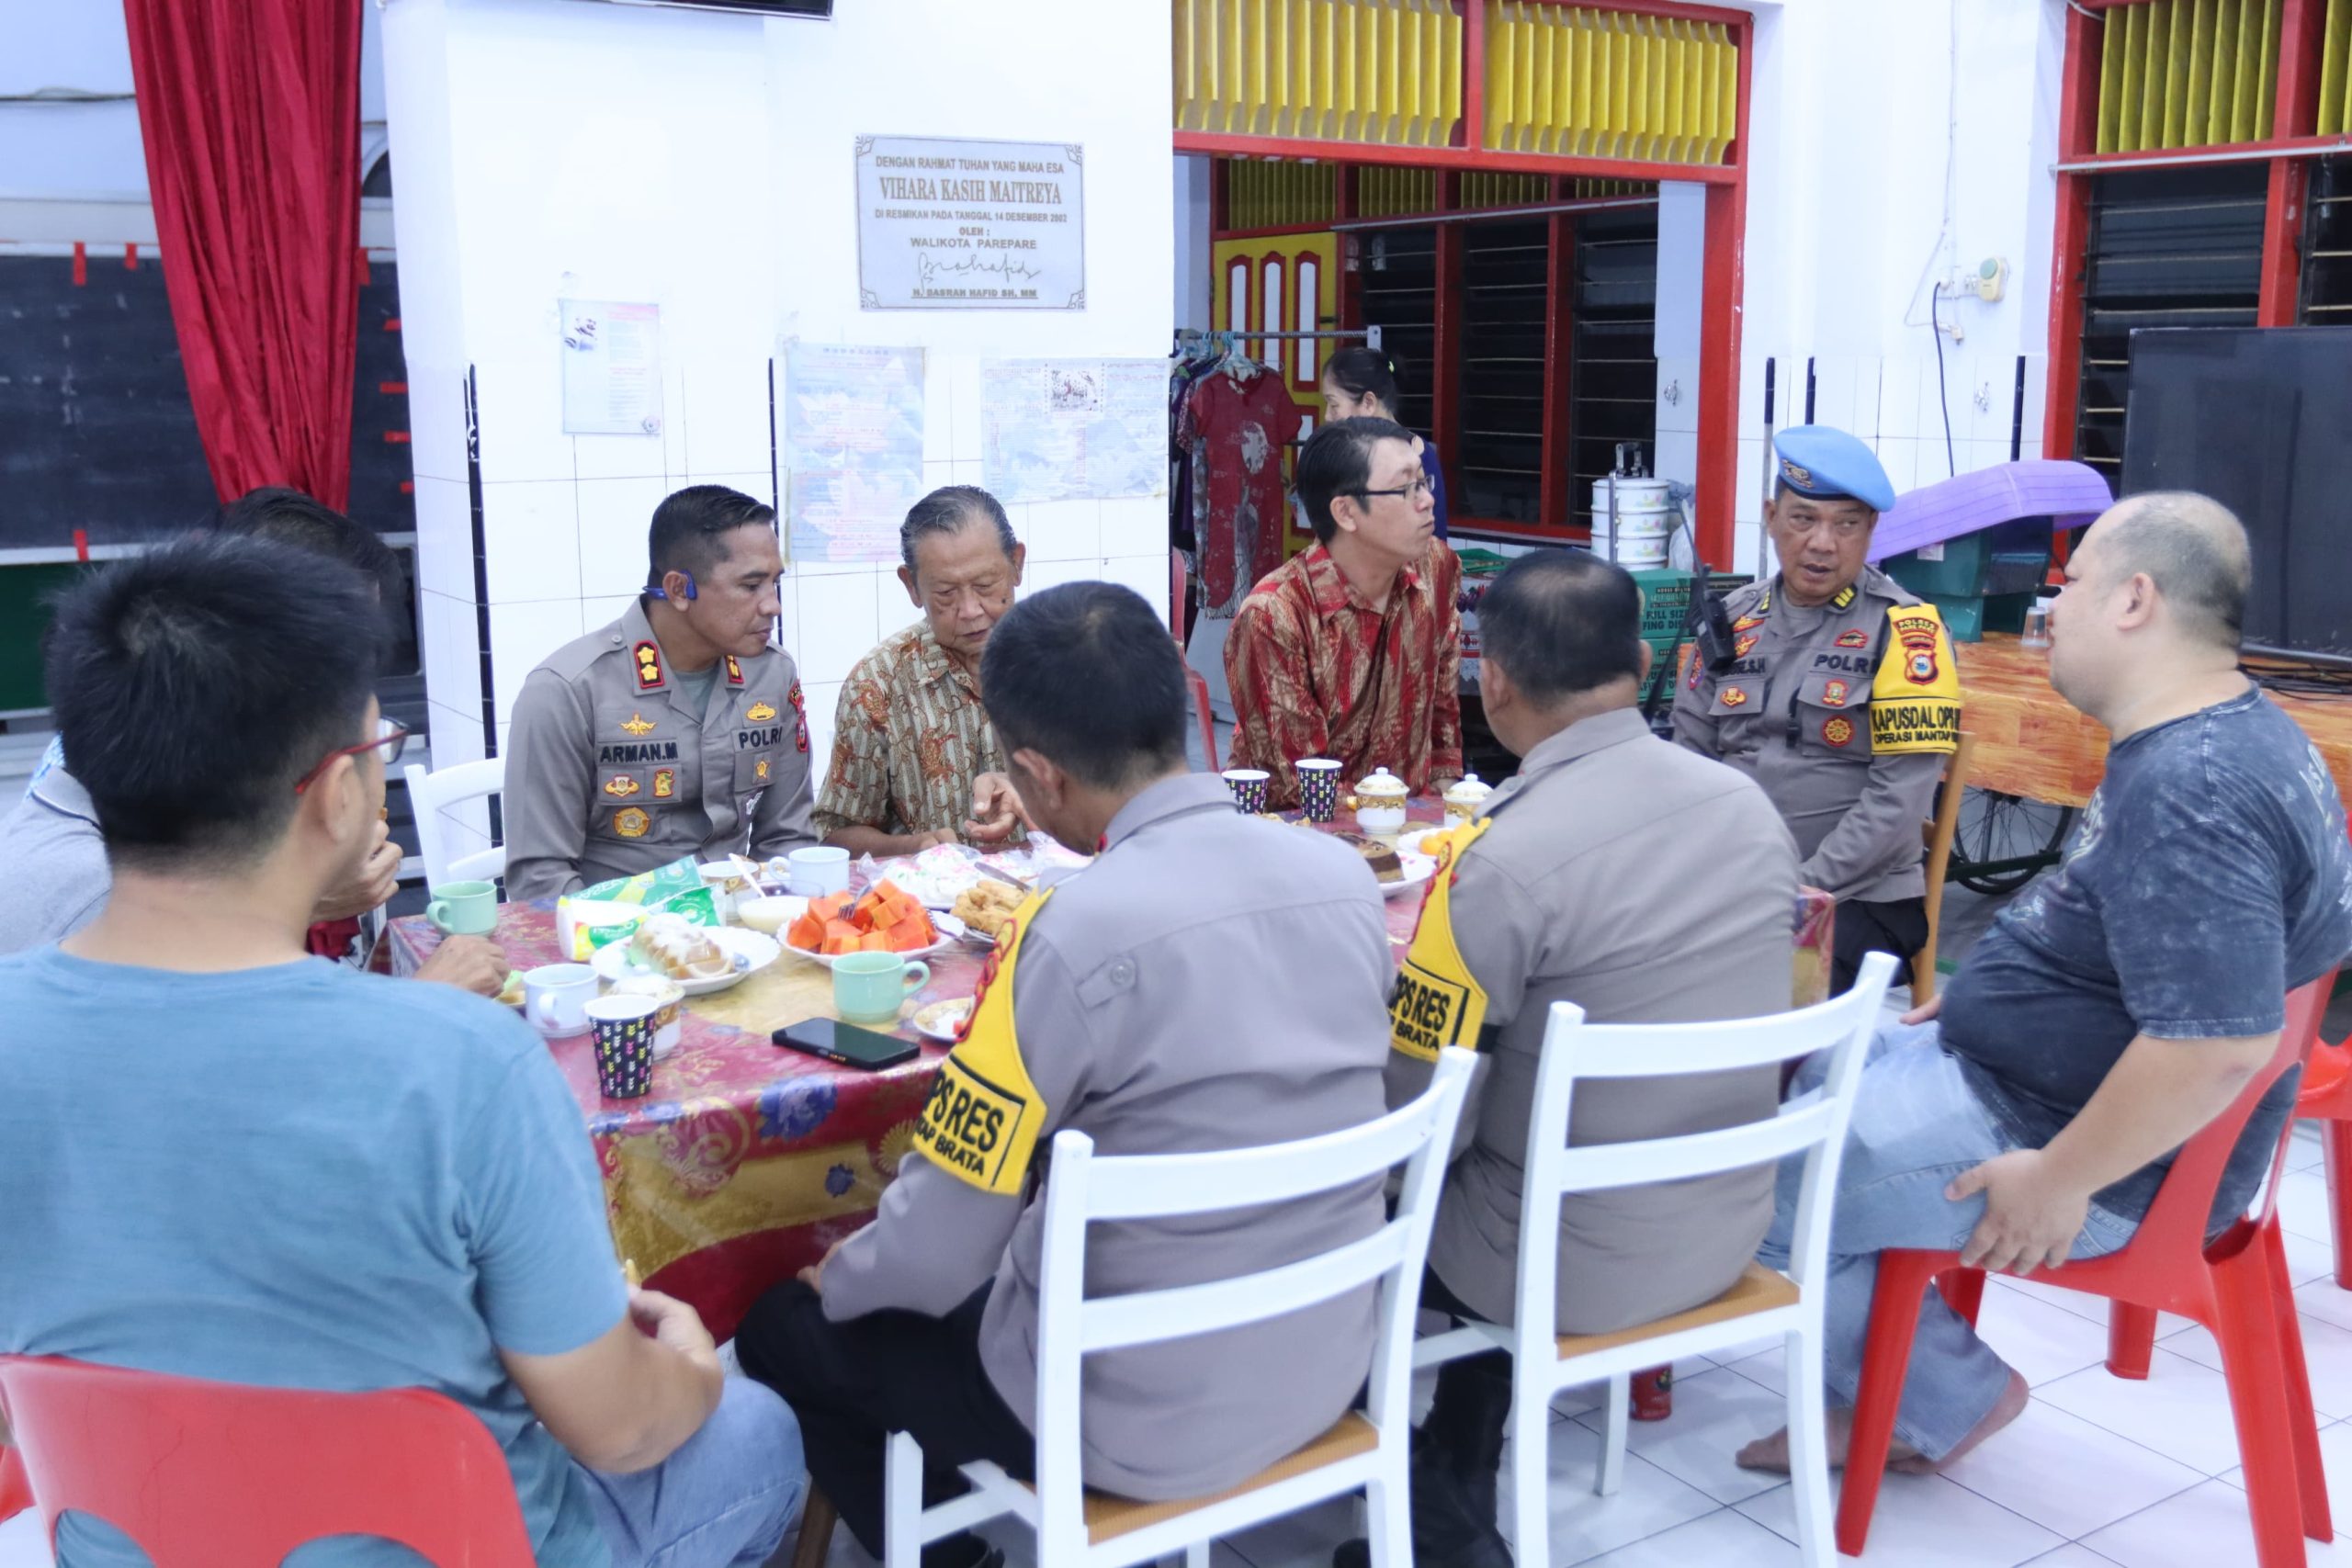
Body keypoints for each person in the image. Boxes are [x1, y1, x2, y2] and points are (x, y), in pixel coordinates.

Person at [0, 533, 802, 1568]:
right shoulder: (463, 1061)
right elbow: (621, 1425)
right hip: (463, 1547)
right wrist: (693, 1368)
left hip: (128, 1539)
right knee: (753, 1430)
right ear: (338, 792)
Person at [734, 581, 1396, 1568]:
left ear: (1039, 775)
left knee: (786, 1327)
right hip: (1328, 1360)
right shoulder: (1346, 879)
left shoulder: (1071, 931)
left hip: (1125, 1423)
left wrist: (842, 1275)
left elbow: (932, 1258)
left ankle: (956, 1553)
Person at [1735, 492, 2352, 1480]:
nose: (2049, 611)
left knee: (1742, 1185)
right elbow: (2117, 930)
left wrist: (2060, 1180)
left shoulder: (2195, 785)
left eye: (2068, 587)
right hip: (2027, 1076)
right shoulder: (2227, 727)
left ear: (2134, 600)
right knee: (1789, 1081)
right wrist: (1988, 1002)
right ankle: (1886, 1368)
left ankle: (1939, 1400)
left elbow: (2218, 1042)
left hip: (2081, 1148)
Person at [1341, 550, 1799, 1568]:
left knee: (1344, 1192)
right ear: (1641, 661)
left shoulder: (1501, 862)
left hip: (1558, 1261)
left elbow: (1419, 1119)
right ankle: (1454, 1456)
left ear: (1490, 682)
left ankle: (1394, 1493)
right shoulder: (1746, 809)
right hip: (1726, 1224)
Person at [0, 487, 504, 997]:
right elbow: (218, 1056)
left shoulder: (151, 782)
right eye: (338, 663)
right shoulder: (105, 887)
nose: (350, 699)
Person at [1673, 425, 1961, 995]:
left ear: (1871, 530)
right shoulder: (1731, 619)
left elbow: (1897, 802)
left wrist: (1798, 891)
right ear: (1771, 516)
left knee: (1748, 993)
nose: (1823, 543)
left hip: (1857, 896)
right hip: (1733, 879)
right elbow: (1689, 758)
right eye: (1803, 519)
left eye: (1847, 524)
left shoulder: (1909, 632)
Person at [505, 484, 819, 900]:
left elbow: (787, 838)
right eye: (750, 586)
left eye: (775, 583)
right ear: (678, 589)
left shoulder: (773, 674)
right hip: (613, 940)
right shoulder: (568, 690)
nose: (772, 605)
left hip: (740, 931)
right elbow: (541, 879)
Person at [1224, 416, 1464, 810]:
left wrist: (1443, 791)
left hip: (1411, 828)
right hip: (1305, 837)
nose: (1427, 500)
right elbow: (1301, 788)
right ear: (1346, 512)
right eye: (1406, 488)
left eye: (1424, 482)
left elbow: (1442, 702)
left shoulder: (1438, 568)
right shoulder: (1274, 615)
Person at [813, 486, 1030, 858]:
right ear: (912, 586)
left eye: (984, 585)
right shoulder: (877, 684)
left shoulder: (1070, 662)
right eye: (946, 592)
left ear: (1016, 564)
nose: (970, 610)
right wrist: (913, 847)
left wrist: (1034, 799)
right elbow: (835, 834)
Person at [1320, 346, 1449, 540]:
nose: (1328, 416)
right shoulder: (1353, 455)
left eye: (1334, 404)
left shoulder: (1417, 456)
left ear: (1368, 403)